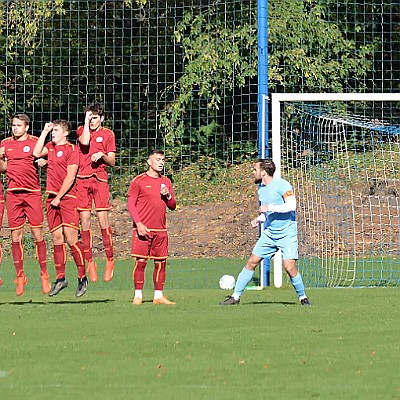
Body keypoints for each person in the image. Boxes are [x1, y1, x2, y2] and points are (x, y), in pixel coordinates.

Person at [219, 158, 311, 306]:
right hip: (269, 234)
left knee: (289, 266)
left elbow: (291, 206)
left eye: (255, 170)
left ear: (263, 172)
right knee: (252, 262)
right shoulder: (261, 189)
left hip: (287, 233)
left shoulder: (282, 185)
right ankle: (235, 297)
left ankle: (303, 297)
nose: (253, 172)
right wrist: (260, 219)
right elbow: (268, 212)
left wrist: (270, 208)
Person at [33, 120, 88, 297]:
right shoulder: (50, 146)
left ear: (65, 133)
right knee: (57, 238)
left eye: (56, 130)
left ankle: (82, 277)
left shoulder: (72, 150)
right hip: (51, 198)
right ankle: (61, 278)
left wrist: (59, 197)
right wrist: (44, 131)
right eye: (52, 130)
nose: (53, 133)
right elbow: (35, 152)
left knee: (71, 239)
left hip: (68, 198)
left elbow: (71, 177)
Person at [0, 114, 51, 296]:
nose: (15, 128)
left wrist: (45, 162)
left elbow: (48, 157)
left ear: (27, 127)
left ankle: (44, 274)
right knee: (16, 236)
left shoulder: (36, 141)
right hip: (13, 194)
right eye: (13, 125)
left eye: (18, 125)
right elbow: (3, 169)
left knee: (38, 234)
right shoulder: (5, 143)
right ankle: (20, 277)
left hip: (32, 194)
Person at [127, 148, 176, 305]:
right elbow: (131, 204)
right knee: (141, 262)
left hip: (161, 230)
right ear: (149, 162)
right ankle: (138, 295)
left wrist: (167, 195)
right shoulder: (139, 181)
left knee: (160, 263)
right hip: (143, 229)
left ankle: (158, 296)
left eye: (162, 160)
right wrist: (139, 224)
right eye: (157, 160)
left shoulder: (166, 182)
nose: (161, 163)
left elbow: (173, 205)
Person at [76, 103, 116, 283]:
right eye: (89, 117)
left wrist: (102, 155)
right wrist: (85, 121)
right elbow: (84, 142)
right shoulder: (81, 130)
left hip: (99, 180)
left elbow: (112, 161)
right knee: (84, 221)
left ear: (102, 118)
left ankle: (109, 259)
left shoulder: (108, 134)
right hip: (82, 180)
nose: (92, 121)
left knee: (102, 220)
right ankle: (90, 261)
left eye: (95, 117)